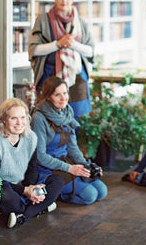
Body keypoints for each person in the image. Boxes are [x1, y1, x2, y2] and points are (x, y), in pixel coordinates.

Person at [0, 98, 64, 228]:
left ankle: (22, 215)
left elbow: (31, 169)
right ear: (3, 119)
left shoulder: (30, 137)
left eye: (23, 117)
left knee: (57, 181)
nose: (19, 123)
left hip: (17, 187)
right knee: (6, 194)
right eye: (13, 118)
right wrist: (25, 191)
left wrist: (32, 189)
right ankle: (38, 208)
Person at [31, 76, 108, 205]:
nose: (63, 98)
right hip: (47, 170)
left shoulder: (67, 113)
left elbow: (72, 148)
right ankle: (54, 195)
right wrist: (69, 168)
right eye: (57, 95)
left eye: (65, 93)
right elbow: (40, 156)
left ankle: (61, 190)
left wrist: (86, 166)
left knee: (102, 191)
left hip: (66, 164)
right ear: (48, 96)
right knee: (90, 195)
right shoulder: (39, 118)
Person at [28, 0, 94, 119]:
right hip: (50, 75)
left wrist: (73, 45)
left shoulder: (81, 23)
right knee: (48, 115)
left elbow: (91, 51)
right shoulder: (43, 19)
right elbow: (34, 50)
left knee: (74, 118)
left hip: (76, 76)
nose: (64, 0)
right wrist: (58, 44)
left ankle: (71, 141)